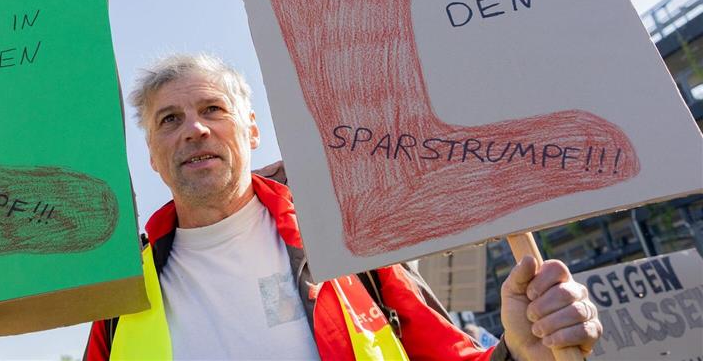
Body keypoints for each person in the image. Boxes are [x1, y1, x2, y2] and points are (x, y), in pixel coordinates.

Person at [84, 54, 603, 360]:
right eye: (169, 120)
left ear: (253, 130)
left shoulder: (346, 240)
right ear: (152, 155)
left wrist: (520, 349)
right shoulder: (118, 295)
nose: (194, 129)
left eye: (212, 109)